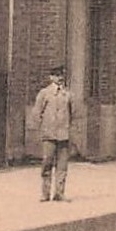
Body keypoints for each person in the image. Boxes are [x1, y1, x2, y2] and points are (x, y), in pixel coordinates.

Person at [33, 64, 75, 202]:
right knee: (47, 163)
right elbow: (37, 113)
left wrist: (68, 128)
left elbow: (72, 113)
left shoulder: (68, 94)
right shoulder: (44, 93)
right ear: (51, 77)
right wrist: (43, 129)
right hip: (49, 135)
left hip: (63, 135)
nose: (60, 78)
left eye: (62, 75)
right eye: (57, 75)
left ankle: (59, 193)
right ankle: (45, 193)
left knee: (62, 165)